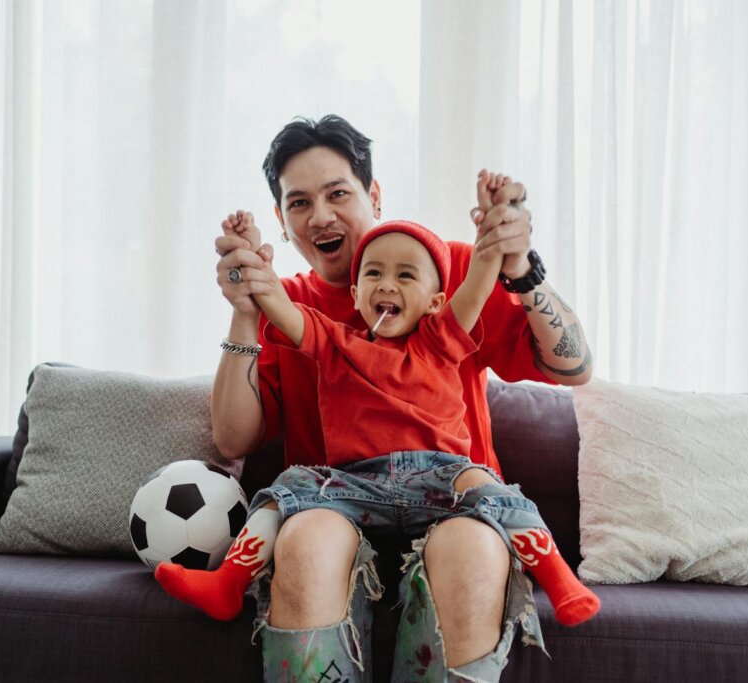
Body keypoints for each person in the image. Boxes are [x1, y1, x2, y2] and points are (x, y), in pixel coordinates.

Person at [197, 115, 592, 681]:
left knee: (473, 553)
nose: (322, 216)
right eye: (299, 203)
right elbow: (234, 438)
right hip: (338, 508)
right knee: (307, 540)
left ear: (373, 195)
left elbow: (573, 365)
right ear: (282, 224)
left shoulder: (442, 271)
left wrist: (518, 266)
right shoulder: (285, 304)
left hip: (450, 504)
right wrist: (243, 314)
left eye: (338, 193)